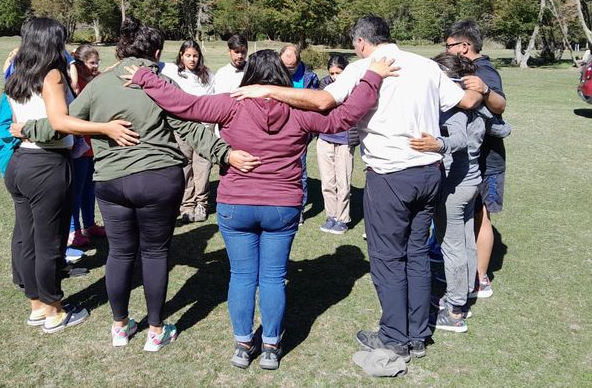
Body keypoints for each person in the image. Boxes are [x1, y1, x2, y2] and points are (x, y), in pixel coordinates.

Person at [231, 16, 481, 369]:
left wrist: (268, 89)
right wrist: (482, 89)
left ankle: (394, 337)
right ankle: (418, 334)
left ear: (361, 42)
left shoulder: (364, 68)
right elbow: (467, 101)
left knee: (388, 258)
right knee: (417, 254)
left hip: (390, 175)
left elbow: (322, 101)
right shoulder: (426, 65)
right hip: (429, 173)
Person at [125, 49, 398, 370]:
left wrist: (145, 77)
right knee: (273, 278)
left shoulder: (231, 103)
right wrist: (372, 77)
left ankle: (243, 345)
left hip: (235, 204)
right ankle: (270, 346)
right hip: (281, 206)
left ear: (250, 75)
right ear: (281, 75)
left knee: (241, 276)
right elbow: (344, 116)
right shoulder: (298, 110)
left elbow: (184, 104)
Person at [45, 17, 260, 351]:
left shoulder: (99, 85)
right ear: (157, 53)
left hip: (111, 181)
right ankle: (156, 331)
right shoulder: (159, 84)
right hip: (159, 179)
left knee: (120, 253)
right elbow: (189, 127)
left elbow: (63, 121)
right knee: (155, 253)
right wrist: (225, 154)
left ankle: (119, 326)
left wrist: (28, 130)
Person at [3, 18, 132, 334]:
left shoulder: (15, 73)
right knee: (50, 241)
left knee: (27, 237)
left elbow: (21, 122)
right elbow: (60, 122)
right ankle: (54, 311)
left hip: (20, 162)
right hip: (47, 165)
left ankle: (37, 305)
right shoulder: (52, 75)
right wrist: (105, 128)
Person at [408, 53, 486, 334]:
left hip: (455, 186)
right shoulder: (477, 104)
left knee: (451, 247)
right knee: (465, 242)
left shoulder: (453, 107)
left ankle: (454, 312)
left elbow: (460, 139)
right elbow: (504, 128)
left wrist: (437, 144)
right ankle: (465, 294)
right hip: (473, 181)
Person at [444, 19, 507, 299]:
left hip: (487, 159)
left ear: (464, 45)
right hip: (469, 158)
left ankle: (481, 279)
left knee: (482, 215)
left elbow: (498, 105)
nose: (446, 49)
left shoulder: (484, 70)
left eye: (449, 45)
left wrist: (485, 90)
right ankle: (466, 273)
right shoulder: (467, 69)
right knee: (468, 215)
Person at [161, 40, 216, 223]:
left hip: (204, 127)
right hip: (182, 127)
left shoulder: (208, 75)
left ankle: (202, 203)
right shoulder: (172, 71)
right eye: (188, 55)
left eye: (195, 56)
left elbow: (214, 100)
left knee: (203, 166)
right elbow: (147, 63)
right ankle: (187, 204)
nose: (192, 59)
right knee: (185, 165)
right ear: (181, 55)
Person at [67, 44, 106, 248]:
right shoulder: (74, 83)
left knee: (91, 188)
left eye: (97, 62)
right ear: (79, 64)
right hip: (79, 146)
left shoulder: (96, 80)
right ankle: (74, 230)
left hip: (94, 143)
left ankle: (89, 225)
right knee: (77, 189)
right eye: (91, 63)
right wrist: (74, 66)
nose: (95, 66)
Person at [316, 55, 359, 235]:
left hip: (345, 140)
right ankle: (331, 216)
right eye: (332, 73)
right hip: (325, 138)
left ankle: (342, 219)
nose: (335, 77)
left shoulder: (355, 87)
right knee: (327, 181)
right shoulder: (324, 86)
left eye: (338, 73)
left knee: (343, 182)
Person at [279, 44, 320, 221]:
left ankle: (299, 209)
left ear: (299, 62)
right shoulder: (275, 73)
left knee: (299, 171)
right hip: (279, 129)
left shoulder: (310, 78)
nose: (287, 71)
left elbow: (316, 104)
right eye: (284, 66)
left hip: (301, 132)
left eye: (291, 67)